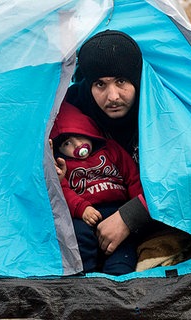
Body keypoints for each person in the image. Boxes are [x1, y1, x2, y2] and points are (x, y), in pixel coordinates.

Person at [57, 29, 162, 257]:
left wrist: (131, 216)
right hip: (86, 214)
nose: (112, 96)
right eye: (100, 85)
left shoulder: (160, 111)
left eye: (121, 81)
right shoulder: (72, 111)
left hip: (143, 210)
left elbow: (181, 177)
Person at [50, 101, 144, 275]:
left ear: (91, 133)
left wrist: (135, 208)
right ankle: (87, 276)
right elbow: (63, 190)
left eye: (81, 137)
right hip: (84, 213)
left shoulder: (111, 150)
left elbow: (132, 178)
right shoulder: (62, 164)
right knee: (78, 237)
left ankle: (119, 274)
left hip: (117, 210)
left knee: (124, 246)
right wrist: (81, 208)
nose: (77, 145)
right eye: (67, 143)